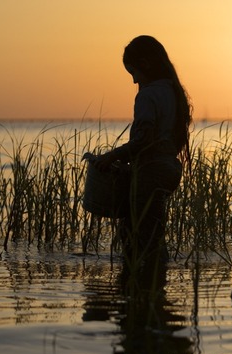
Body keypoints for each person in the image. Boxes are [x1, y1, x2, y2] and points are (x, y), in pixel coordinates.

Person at [85, 35, 192, 291]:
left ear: (144, 64)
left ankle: (141, 295)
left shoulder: (148, 95)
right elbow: (168, 141)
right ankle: (154, 292)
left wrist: (112, 156)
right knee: (151, 232)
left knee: (138, 236)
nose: (133, 80)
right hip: (169, 169)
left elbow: (144, 139)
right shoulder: (173, 92)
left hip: (151, 174)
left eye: (133, 73)